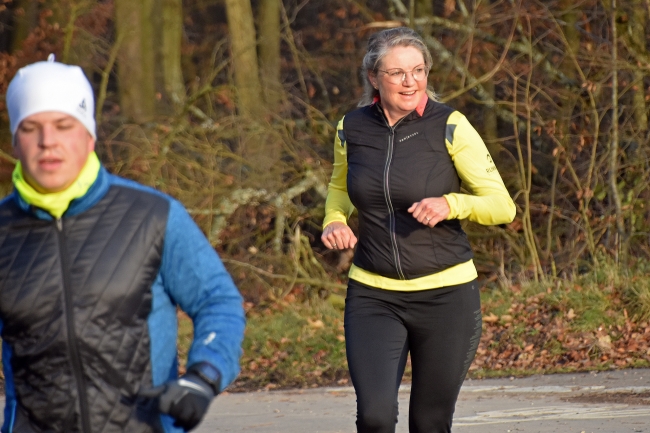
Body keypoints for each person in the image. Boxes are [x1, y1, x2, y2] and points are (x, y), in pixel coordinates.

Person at [0, 56, 245, 432]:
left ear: (89, 135)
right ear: (16, 141)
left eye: (64, 125)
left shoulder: (153, 215)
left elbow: (218, 301)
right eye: (31, 128)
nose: (48, 142)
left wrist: (204, 376)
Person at [321, 27, 516, 433]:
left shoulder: (451, 126)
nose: (410, 82)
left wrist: (452, 203)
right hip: (373, 294)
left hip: (447, 296)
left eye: (419, 70)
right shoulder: (350, 129)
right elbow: (340, 187)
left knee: (429, 422)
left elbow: (503, 207)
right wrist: (334, 220)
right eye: (397, 73)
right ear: (374, 77)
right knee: (374, 417)